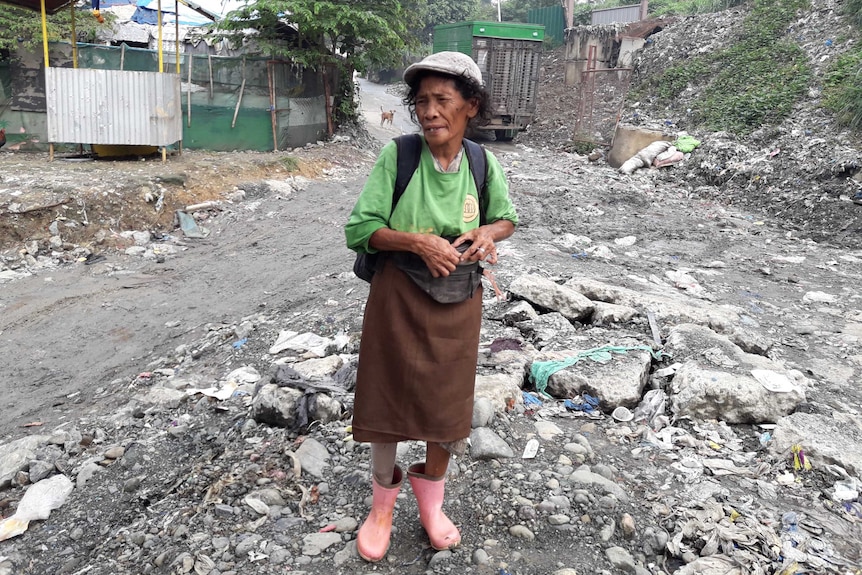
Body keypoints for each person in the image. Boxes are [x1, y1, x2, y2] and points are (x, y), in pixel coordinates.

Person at [344, 51, 518, 562]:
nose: (429, 112)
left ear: (471, 106)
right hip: (398, 292)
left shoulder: (484, 164)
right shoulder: (398, 157)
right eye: (422, 102)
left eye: (443, 100)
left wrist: (488, 232)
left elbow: (507, 218)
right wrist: (417, 242)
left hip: (458, 298)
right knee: (387, 400)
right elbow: (359, 229)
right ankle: (380, 510)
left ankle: (432, 507)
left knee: (445, 405)